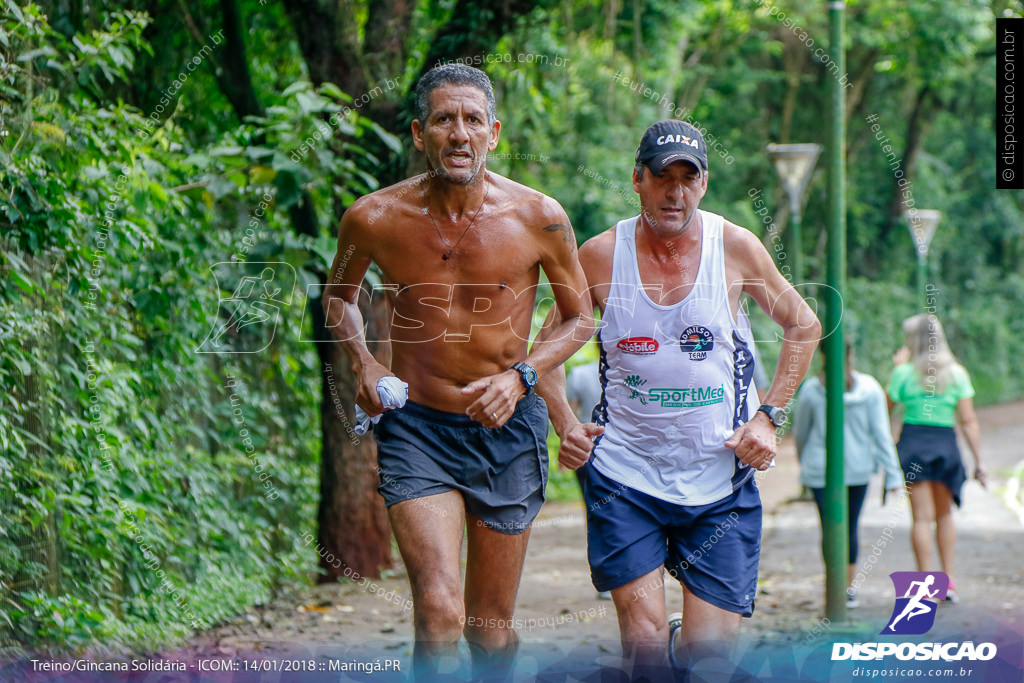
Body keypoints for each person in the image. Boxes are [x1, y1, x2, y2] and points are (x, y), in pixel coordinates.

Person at [321, 64, 594, 680]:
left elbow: (579, 319)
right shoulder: (371, 218)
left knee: (488, 631)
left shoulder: (539, 216)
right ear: (420, 133)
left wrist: (522, 376)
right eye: (444, 119)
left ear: (493, 133)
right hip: (416, 428)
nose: (459, 133)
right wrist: (364, 362)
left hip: (507, 430)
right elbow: (339, 297)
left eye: (473, 120)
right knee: (439, 612)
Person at [536, 120, 821, 678]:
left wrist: (769, 415)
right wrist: (565, 422)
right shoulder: (598, 257)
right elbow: (544, 350)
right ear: (637, 179)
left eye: (688, 178)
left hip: (719, 480)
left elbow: (804, 325)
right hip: (625, 477)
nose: (676, 192)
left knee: (708, 663)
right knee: (643, 651)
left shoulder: (735, 248)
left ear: (704, 184)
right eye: (663, 177)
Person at [793, 342, 903, 608]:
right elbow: (881, 435)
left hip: (820, 470)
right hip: (857, 469)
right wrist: (894, 473)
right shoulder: (871, 389)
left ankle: (834, 587)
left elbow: (801, 433)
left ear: (821, 356)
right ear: (851, 355)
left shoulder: (811, 390)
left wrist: (804, 463)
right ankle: (848, 588)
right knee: (850, 526)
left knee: (829, 528)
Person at [887, 314, 986, 603]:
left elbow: (886, 408)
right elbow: (968, 421)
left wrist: (898, 369)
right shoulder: (957, 373)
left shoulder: (903, 373)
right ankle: (948, 582)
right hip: (945, 446)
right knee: (944, 515)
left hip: (913, 445)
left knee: (921, 518)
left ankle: (923, 587)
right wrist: (980, 461)